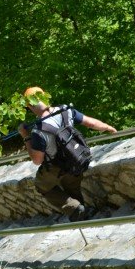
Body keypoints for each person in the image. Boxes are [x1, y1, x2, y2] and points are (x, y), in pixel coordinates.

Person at [20, 86, 117, 221]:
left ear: (30, 107)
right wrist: (108, 127)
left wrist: (26, 136)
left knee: (41, 185)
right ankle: (80, 212)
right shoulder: (66, 111)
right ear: (45, 96)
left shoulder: (38, 131)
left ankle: (75, 209)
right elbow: (91, 123)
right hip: (77, 158)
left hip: (56, 166)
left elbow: (37, 160)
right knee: (72, 186)